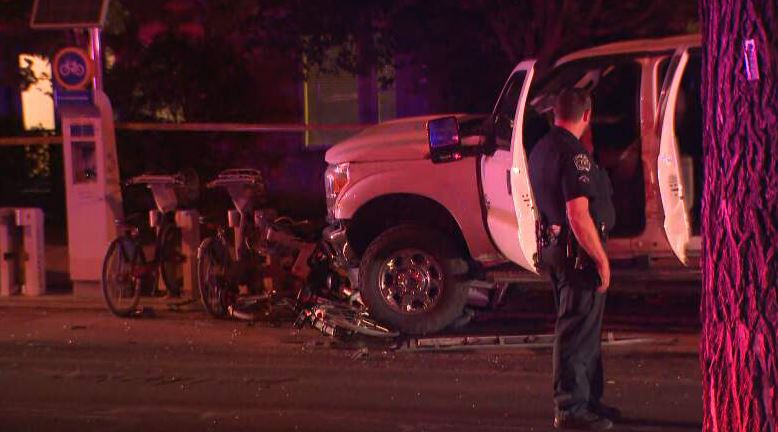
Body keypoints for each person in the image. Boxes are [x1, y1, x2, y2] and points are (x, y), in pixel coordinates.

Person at [528, 88, 618, 430]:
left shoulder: (541, 149)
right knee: (576, 332)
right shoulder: (573, 154)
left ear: (554, 113)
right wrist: (601, 259)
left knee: (584, 331)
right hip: (578, 254)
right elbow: (578, 214)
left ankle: (589, 401)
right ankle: (571, 409)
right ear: (587, 115)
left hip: (558, 251)